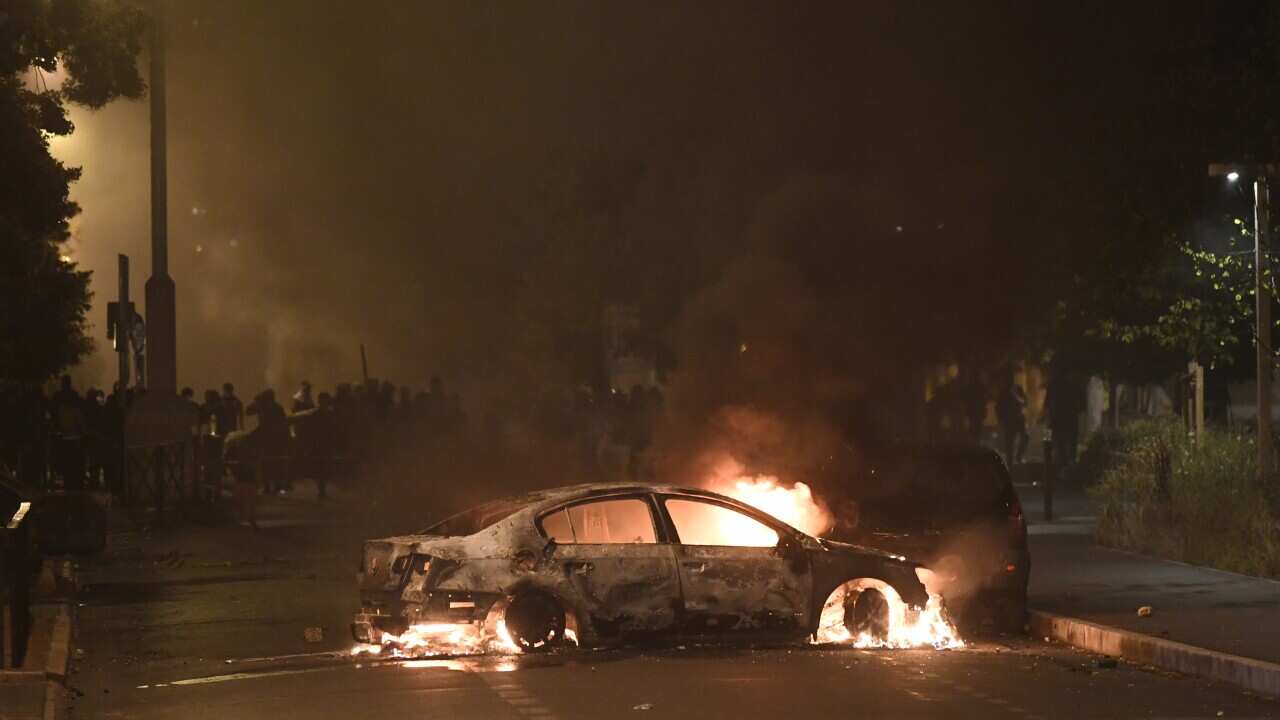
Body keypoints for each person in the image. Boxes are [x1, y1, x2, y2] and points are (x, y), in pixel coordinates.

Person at [51, 375, 87, 491]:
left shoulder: (60, 404)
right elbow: (80, 423)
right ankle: (75, 483)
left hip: (65, 438)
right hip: (75, 439)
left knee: (67, 465)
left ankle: (69, 482)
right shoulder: (74, 405)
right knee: (75, 465)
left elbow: (55, 418)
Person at [997, 378, 1030, 465]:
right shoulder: (1003, 392)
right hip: (1008, 421)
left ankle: (1018, 456)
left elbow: (1025, 402)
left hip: (1019, 419)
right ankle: (1010, 464)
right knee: (1009, 443)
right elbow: (998, 407)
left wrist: (1015, 396)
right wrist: (1000, 420)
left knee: (1025, 437)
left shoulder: (1018, 388)